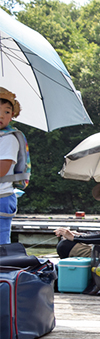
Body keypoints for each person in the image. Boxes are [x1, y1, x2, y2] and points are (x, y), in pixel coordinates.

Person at [0, 88, 24, 244]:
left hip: (1, 197)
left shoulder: (8, 139)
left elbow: (2, 169)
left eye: (7, 112)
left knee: (1, 246)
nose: (1, 115)